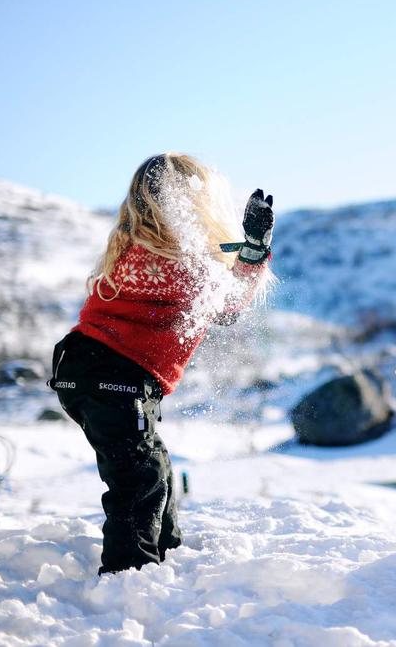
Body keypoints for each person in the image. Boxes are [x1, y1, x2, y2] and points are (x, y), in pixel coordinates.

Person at [48, 153, 274, 574]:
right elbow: (223, 305)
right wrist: (251, 253)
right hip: (109, 372)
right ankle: (128, 574)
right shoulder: (152, 257)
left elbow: (218, 299)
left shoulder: (156, 249)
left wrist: (248, 252)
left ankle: (165, 556)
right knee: (138, 479)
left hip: (100, 372)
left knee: (153, 465)